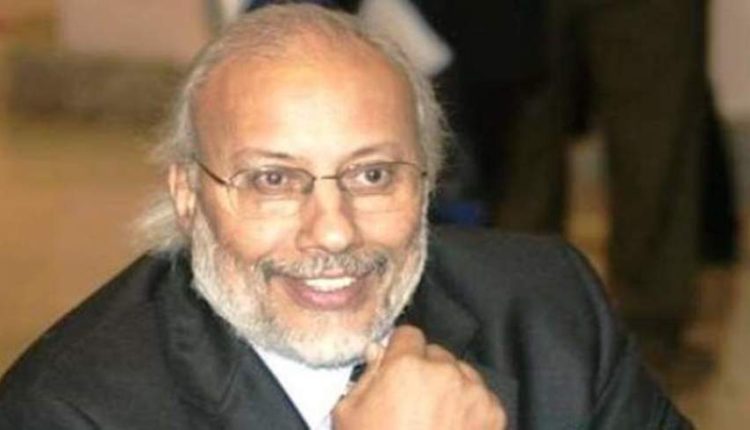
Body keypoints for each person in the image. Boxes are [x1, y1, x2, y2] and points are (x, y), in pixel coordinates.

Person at [0, 4, 691, 429]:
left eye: (372, 175)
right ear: (188, 195)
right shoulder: (69, 411)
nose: (333, 231)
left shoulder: (550, 309)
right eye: (273, 179)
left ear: (427, 181)